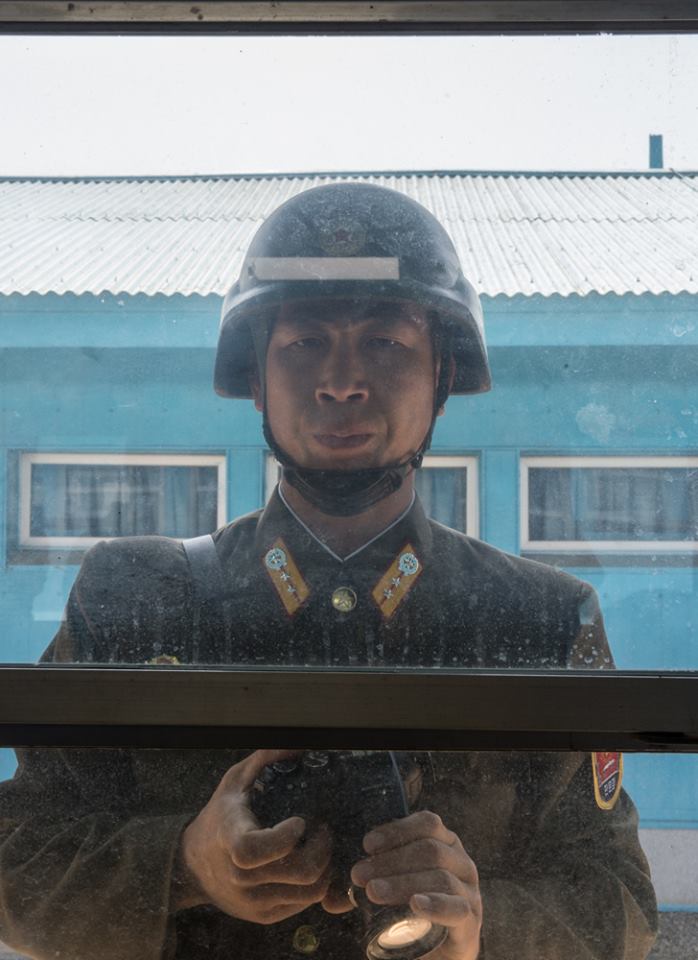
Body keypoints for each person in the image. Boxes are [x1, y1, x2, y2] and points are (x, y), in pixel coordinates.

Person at [0, 183, 657, 960]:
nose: (341, 381)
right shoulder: (135, 601)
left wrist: (484, 928)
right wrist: (183, 865)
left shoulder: (543, 621)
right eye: (305, 341)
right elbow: (16, 859)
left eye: (385, 342)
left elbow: (621, 903)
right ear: (254, 381)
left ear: (443, 379)